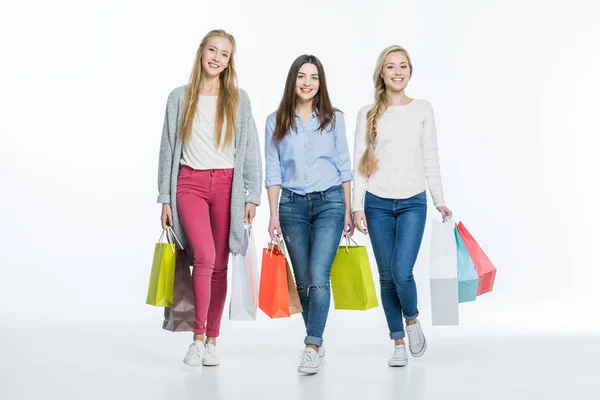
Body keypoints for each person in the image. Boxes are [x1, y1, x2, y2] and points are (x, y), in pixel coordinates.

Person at [157, 29, 262, 367]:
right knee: (203, 257)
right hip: (189, 184)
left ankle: (213, 338)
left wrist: (252, 195)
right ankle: (198, 337)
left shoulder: (238, 99)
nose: (217, 58)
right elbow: (168, 150)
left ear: (230, 62)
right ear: (201, 52)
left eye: (225, 54)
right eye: (212, 51)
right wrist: (165, 198)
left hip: (228, 186)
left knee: (219, 264)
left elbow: (250, 151)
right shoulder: (179, 97)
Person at [352, 45, 452, 367]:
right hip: (377, 203)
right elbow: (359, 165)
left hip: (413, 202)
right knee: (385, 276)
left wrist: (440, 200)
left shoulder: (423, 109)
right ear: (381, 72)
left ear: (410, 72)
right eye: (391, 67)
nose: (397, 72)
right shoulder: (367, 113)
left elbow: (430, 157)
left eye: (403, 66)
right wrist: (356, 208)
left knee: (401, 271)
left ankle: (411, 319)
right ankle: (397, 341)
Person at [264, 54, 354, 375]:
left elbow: (345, 167)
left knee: (319, 275)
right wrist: (273, 214)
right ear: (293, 80)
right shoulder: (275, 121)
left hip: (330, 202)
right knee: (303, 282)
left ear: (321, 82)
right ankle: (316, 336)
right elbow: (273, 172)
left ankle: (312, 344)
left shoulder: (334, 119)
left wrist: (348, 210)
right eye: (302, 76)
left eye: (314, 77)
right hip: (291, 206)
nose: (307, 82)